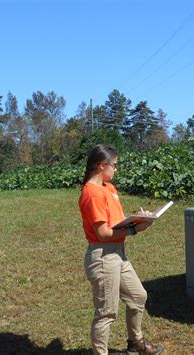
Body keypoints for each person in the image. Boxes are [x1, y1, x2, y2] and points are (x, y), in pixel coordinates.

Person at [78, 144, 163, 355]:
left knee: (138, 297)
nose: (116, 170)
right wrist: (135, 231)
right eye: (114, 166)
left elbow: (116, 221)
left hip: (118, 253)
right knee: (106, 313)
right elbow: (104, 234)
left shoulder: (109, 188)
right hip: (104, 256)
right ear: (101, 166)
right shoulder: (92, 194)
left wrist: (139, 218)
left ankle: (135, 343)